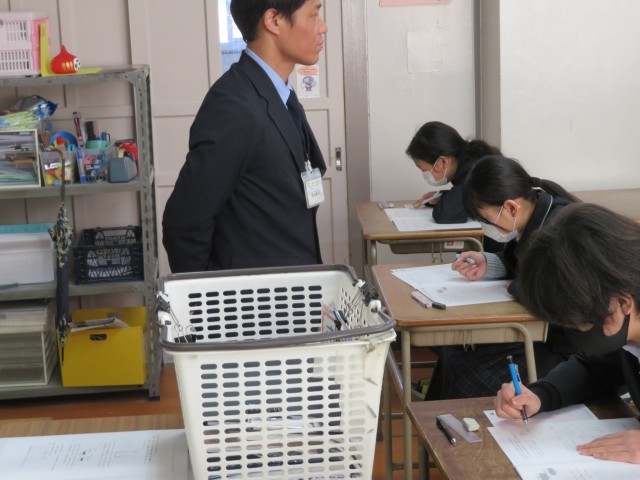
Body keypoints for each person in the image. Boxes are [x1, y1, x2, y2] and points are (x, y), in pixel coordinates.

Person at [162, 0, 328, 273]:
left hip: (291, 285)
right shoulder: (234, 105)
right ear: (273, 20)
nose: (323, 27)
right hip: (254, 295)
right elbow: (184, 224)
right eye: (313, 15)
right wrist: (210, 295)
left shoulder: (278, 93)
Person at [423, 155, 580, 400]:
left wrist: (517, 287)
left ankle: (461, 421)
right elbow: (518, 263)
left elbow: (554, 297)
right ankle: (438, 419)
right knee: (454, 351)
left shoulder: (558, 232)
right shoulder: (535, 216)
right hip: (540, 334)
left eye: (484, 220)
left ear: (511, 207)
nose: (484, 226)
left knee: (467, 368)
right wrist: (489, 263)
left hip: (566, 350)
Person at [495, 203, 640, 465]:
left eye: (579, 323)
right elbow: (594, 369)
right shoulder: (627, 332)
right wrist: (540, 395)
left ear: (622, 303)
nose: (574, 334)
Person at [405, 121, 501, 224]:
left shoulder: (475, 174)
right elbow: (467, 196)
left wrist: (447, 200)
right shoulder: (470, 162)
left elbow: (444, 215)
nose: (424, 174)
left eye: (423, 169)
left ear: (443, 162)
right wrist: (442, 196)